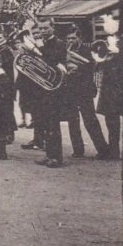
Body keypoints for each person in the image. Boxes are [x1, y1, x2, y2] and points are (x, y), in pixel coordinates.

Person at [64, 26, 109, 159]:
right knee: (72, 121)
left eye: (73, 38)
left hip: (84, 89)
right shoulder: (66, 51)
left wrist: (76, 70)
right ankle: (78, 150)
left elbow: (91, 68)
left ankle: (102, 149)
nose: (70, 41)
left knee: (90, 120)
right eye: (68, 39)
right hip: (70, 89)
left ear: (79, 38)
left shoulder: (87, 50)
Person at [32, 18, 70, 168]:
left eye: (46, 28)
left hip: (54, 88)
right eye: (40, 29)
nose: (43, 31)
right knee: (45, 123)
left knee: (53, 124)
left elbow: (53, 60)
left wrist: (40, 48)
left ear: (53, 28)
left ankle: (56, 157)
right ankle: (48, 154)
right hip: (42, 88)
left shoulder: (59, 43)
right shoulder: (42, 43)